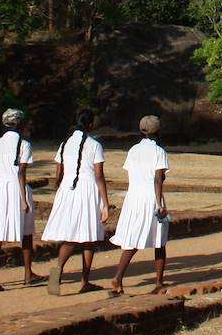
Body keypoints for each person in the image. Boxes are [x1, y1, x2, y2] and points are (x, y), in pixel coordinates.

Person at [42, 109, 109, 296]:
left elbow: (58, 172)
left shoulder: (65, 144)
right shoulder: (94, 144)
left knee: (74, 235)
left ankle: (59, 273)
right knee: (87, 236)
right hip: (86, 190)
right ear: (90, 125)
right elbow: (99, 175)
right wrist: (105, 202)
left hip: (68, 189)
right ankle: (84, 280)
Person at [110, 115, 171, 296]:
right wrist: (160, 204)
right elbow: (158, 179)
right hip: (151, 197)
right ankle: (159, 282)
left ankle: (119, 276)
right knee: (159, 241)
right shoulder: (159, 152)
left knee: (133, 238)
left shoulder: (133, 150)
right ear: (158, 131)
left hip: (133, 197)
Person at [0, 108, 42, 291]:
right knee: (26, 233)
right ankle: (27, 272)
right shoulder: (24, 144)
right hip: (17, 189)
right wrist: (24, 198)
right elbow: (21, 173)